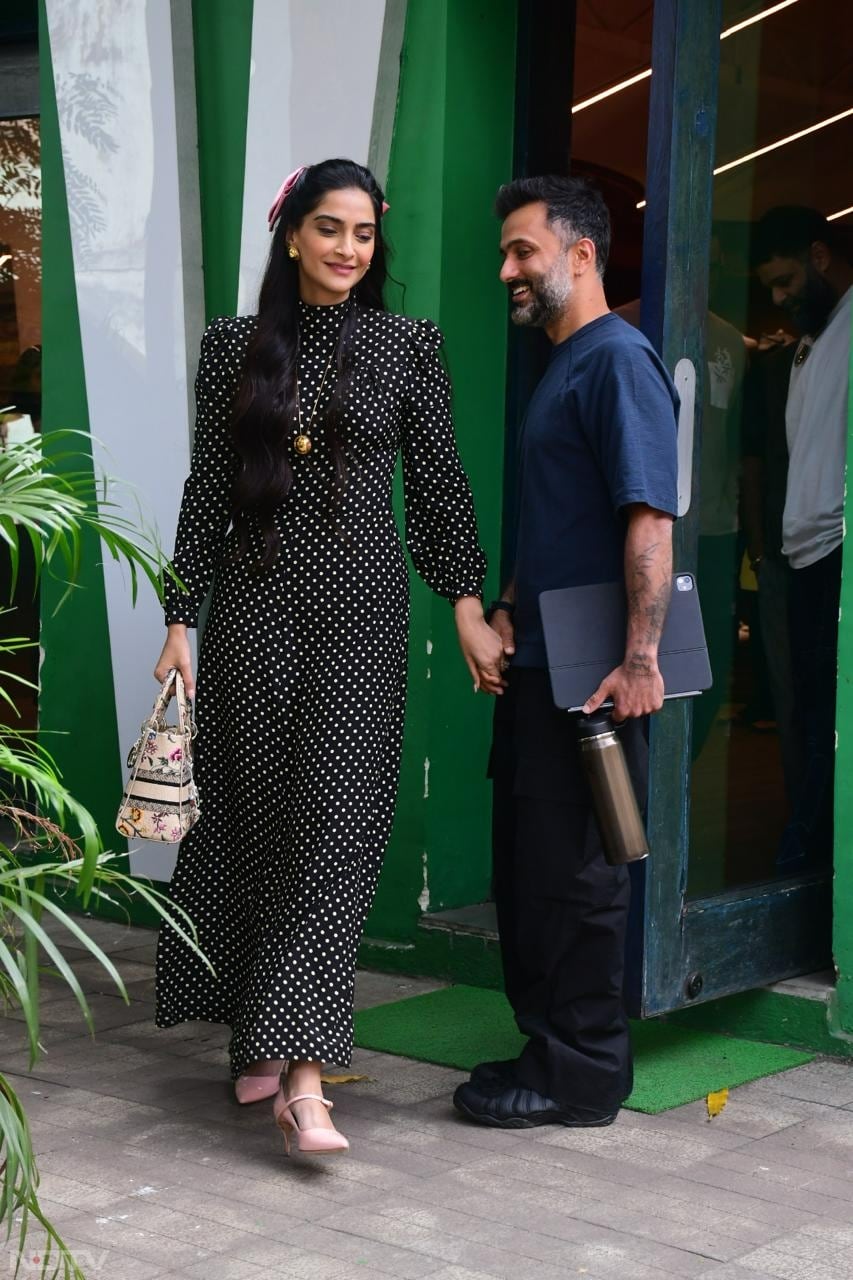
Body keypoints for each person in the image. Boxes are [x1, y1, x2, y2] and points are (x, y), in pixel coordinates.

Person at [153, 158, 502, 1156]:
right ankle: (253, 1040)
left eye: (363, 232)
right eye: (330, 228)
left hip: (361, 615)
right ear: (293, 235)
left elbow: (439, 480)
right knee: (258, 824)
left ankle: (305, 1077)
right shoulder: (233, 349)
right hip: (253, 610)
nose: (350, 248)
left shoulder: (407, 345)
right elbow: (205, 486)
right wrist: (181, 615)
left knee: (335, 831)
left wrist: (466, 604)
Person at [452, 175, 678, 1130]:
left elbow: (647, 519)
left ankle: (580, 1076)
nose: (505, 269)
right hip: (541, 662)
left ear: (580, 254)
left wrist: (640, 658)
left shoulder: (617, 362)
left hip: (592, 676)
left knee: (580, 879)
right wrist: (504, 610)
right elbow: (553, 523)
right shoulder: (563, 364)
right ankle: (547, 1045)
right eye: (504, 252)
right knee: (535, 871)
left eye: (522, 252)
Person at [752, 206, 853, 869]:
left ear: (818, 257)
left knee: (826, 724)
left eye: (786, 281)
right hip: (804, 553)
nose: (779, 301)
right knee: (808, 716)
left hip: (838, 548)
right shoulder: (810, 343)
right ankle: (807, 859)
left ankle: (805, 858)